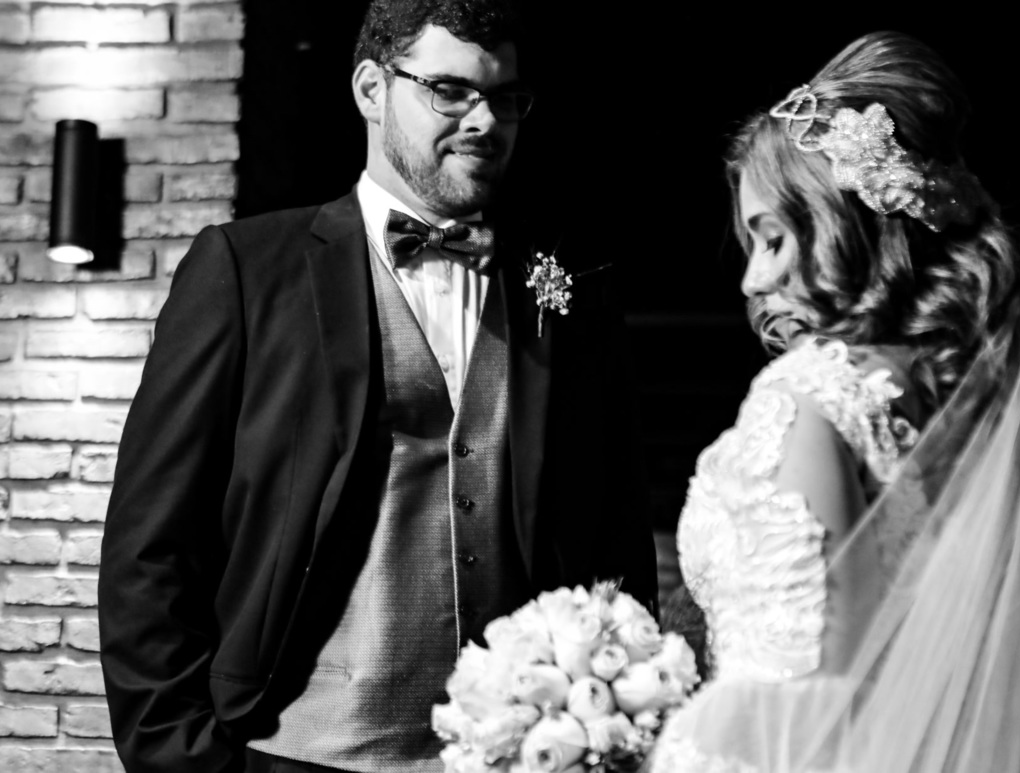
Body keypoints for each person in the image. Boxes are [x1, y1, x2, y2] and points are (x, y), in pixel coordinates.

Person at [98, 2, 658, 772]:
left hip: (520, 757)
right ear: (370, 88)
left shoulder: (568, 292)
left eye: (505, 99)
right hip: (290, 751)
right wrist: (183, 756)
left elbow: (616, 536)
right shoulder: (247, 271)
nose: (485, 121)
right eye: (450, 91)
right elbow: (152, 544)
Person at [652, 31, 1020, 772]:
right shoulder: (981, 392)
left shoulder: (807, 397)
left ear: (841, 226)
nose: (751, 281)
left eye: (772, 239)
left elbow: (804, 703)